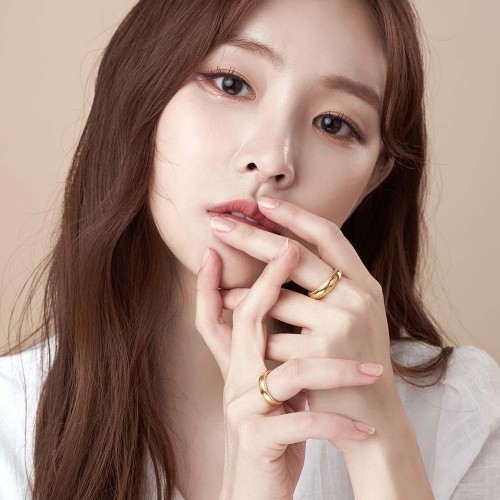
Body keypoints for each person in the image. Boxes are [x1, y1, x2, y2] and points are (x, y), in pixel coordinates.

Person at [1, 0, 499, 498]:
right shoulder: (11, 427)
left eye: (333, 124)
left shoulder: (458, 412)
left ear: (373, 179)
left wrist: (377, 447)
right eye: (231, 84)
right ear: (140, 89)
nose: (274, 159)